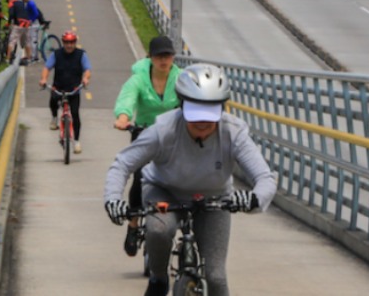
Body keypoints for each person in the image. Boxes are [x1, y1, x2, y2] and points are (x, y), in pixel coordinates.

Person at [104, 64, 277, 296]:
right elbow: (123, 163)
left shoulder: (233, 132)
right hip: (164, 191)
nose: (202, 124)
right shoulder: (163, 130)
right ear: (182, 105)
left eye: (210, 114)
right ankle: (158, 278)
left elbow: (265, 177)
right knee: (158, 230)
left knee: (216, 276)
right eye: (196, 114)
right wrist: (113, 199)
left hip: (215, 198)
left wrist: (254, 199)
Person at [112, 36, 181, 257]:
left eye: (168, 55)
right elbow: (127, 99)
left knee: (181, 178)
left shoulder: (180, 78)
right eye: (159, 55)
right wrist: (123, 118)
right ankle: (133, 225)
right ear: (150, 57)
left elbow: (192, 100)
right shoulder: (139, 78)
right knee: (140, 178)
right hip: (144, 134)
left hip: (172, 137)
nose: (164, 59)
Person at [38, 31, 92, 154]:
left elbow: (87, 69)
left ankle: (77, 142)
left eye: (72, 42)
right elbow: (47, 68)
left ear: (75, 42)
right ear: (63, 43)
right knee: (52, 102)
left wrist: (85, 79)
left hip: (74, 90)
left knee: (75, 114)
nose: (69, 45)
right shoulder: (56, 54)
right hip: (59, 87)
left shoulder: (81, 55)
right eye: (67, 42)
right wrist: (44, 79)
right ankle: (54, 118)